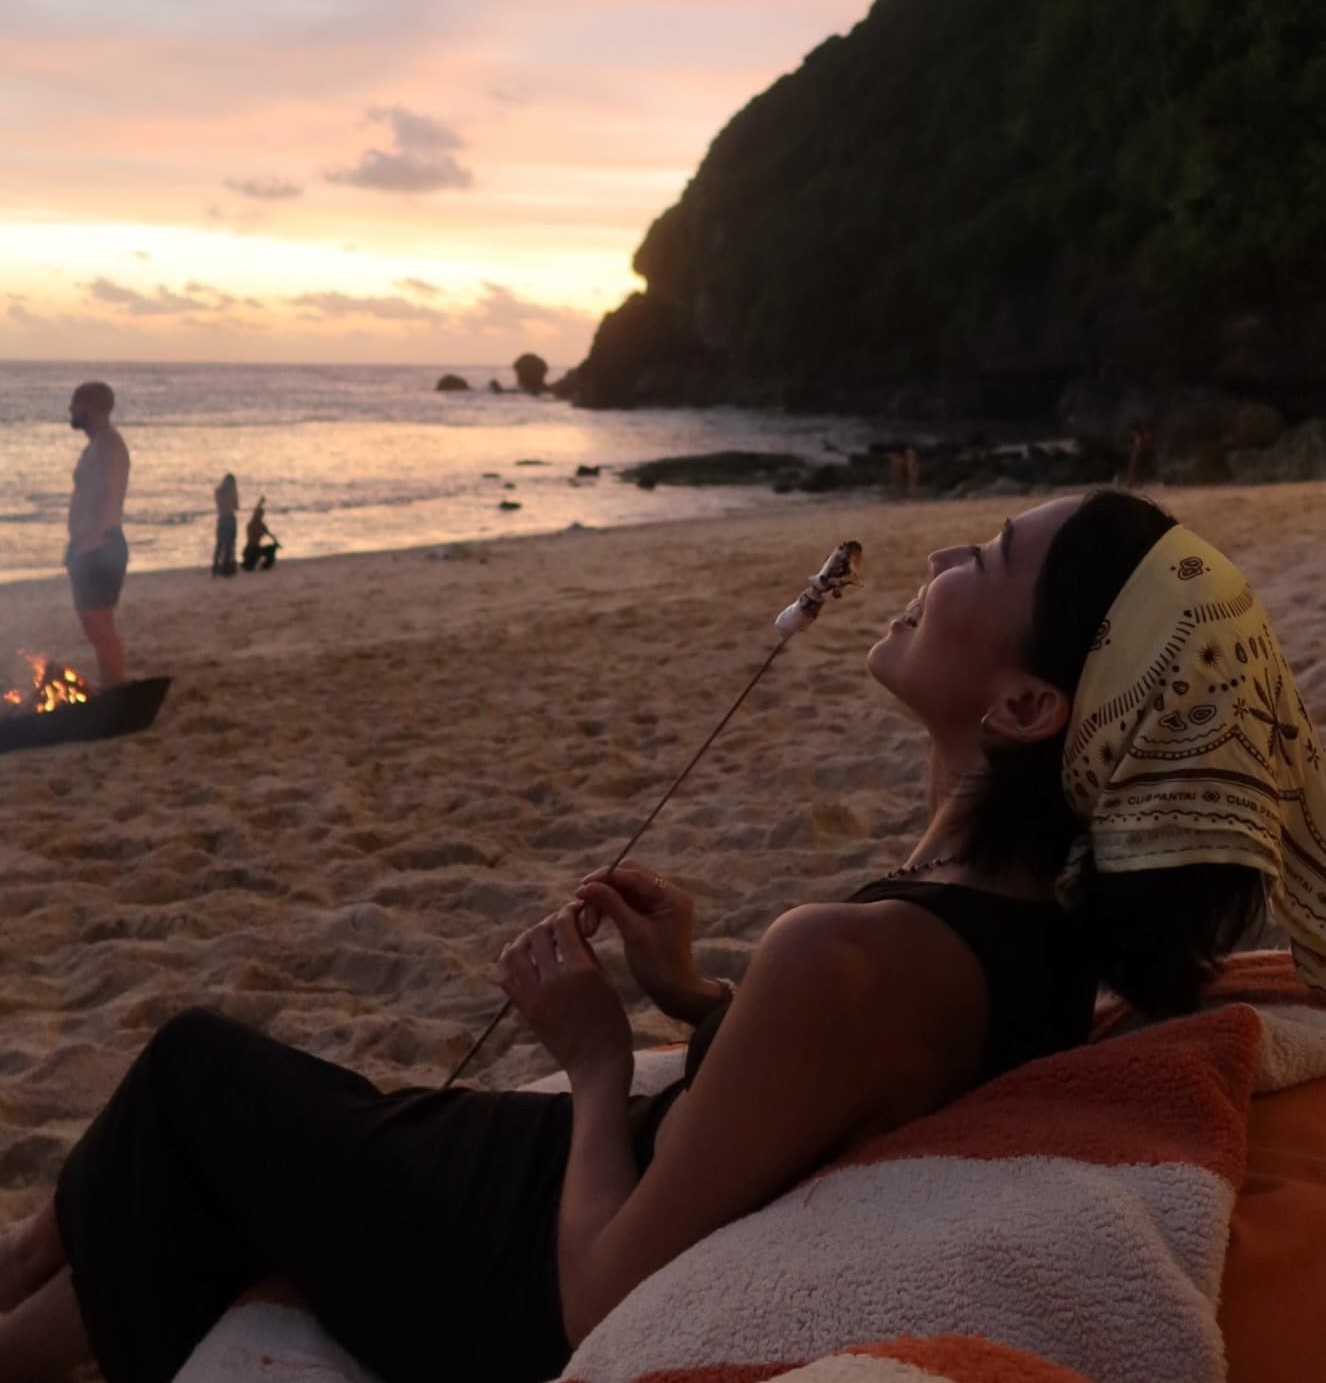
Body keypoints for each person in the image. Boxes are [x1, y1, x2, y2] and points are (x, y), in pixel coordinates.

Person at [4, 489, 1321, 1383]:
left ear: (1031, 702)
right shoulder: (1033, 911)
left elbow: (595, 1302)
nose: (931, 564)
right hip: (592, 1177)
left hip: (524, 1278)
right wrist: (697, 999)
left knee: (191, 1066)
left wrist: (589, 1057)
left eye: (977, 559)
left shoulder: (848, 956)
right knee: (202, 1154)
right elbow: (862, 1075)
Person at [63, 381, 131, 690]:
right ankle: (110, 687)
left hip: (101, 546)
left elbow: (109, 497)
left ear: (91, 408)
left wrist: (92, 541)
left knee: (100, 624)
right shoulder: (95, 445)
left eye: (75, 405)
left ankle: (114, 691)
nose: (70, 410)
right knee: (92, 624)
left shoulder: (110, 447)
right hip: (88, 546)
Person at [241, 498, 280, 572]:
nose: (261, 516)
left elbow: (269, 534)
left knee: (271, 549)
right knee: (249, 566)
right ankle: (249, 563)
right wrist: (260, 502)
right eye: (260, 515)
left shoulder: (260, 524)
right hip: (250, 550)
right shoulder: (253, 524)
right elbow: (256, 510)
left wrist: (276, 542)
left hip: (255, 549)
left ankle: (260, 564)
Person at [212, 475, 239, 578]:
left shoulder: (218, 492)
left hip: (221, 519)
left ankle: (215, 566)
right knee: (230, 545)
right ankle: (228, 567)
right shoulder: (232, 492)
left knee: (219, 544)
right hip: (230, 519)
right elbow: (236, 506)